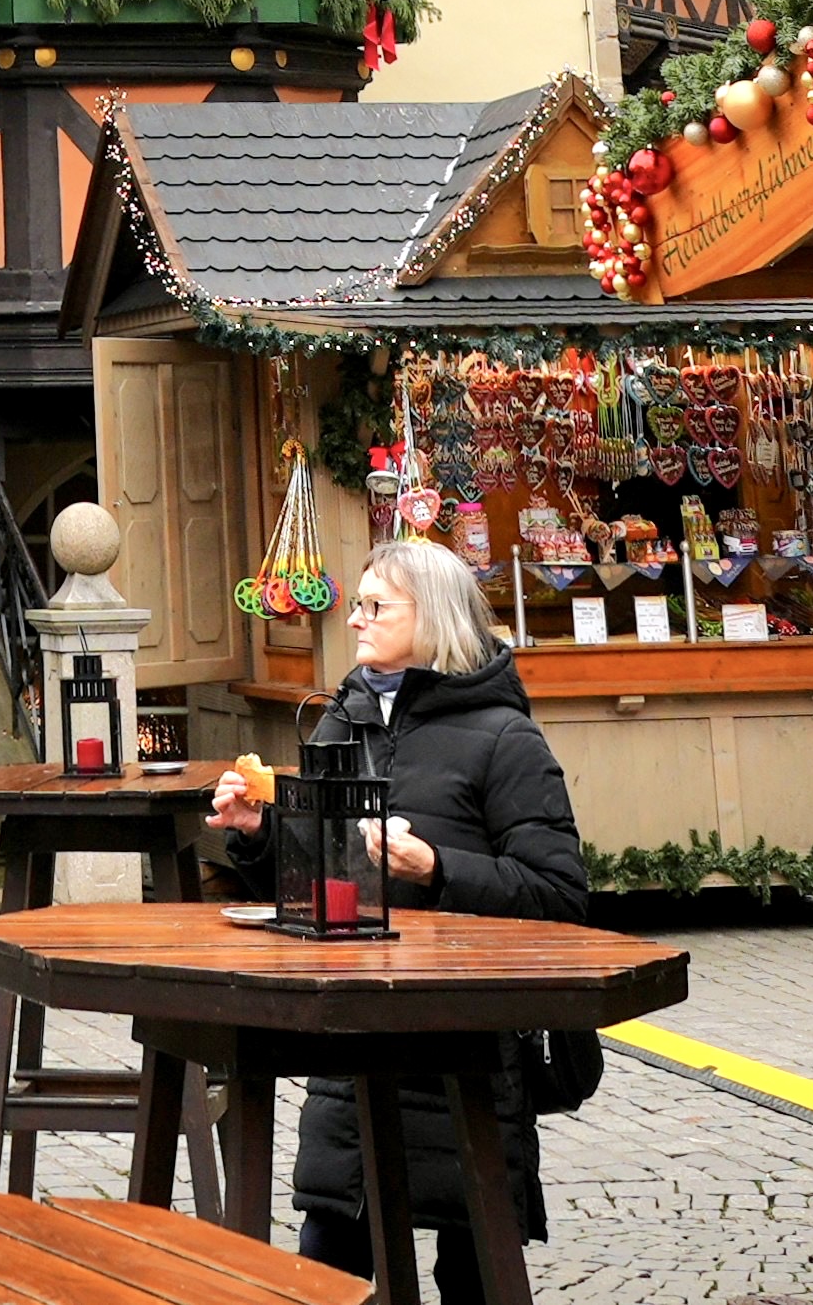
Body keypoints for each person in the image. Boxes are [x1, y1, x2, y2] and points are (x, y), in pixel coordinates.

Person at [200, 533, 588, 1282]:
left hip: (463, 1038)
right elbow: (316, 881)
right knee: (330, 1257)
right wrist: (260, 834)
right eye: (358, 604)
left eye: (376, 605)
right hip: (350, 1030)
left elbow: (559, 896)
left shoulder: (504, 738)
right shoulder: (343, 721)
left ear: (432, 616)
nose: (355, 620)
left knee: (473, 1264)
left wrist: (438, 868)